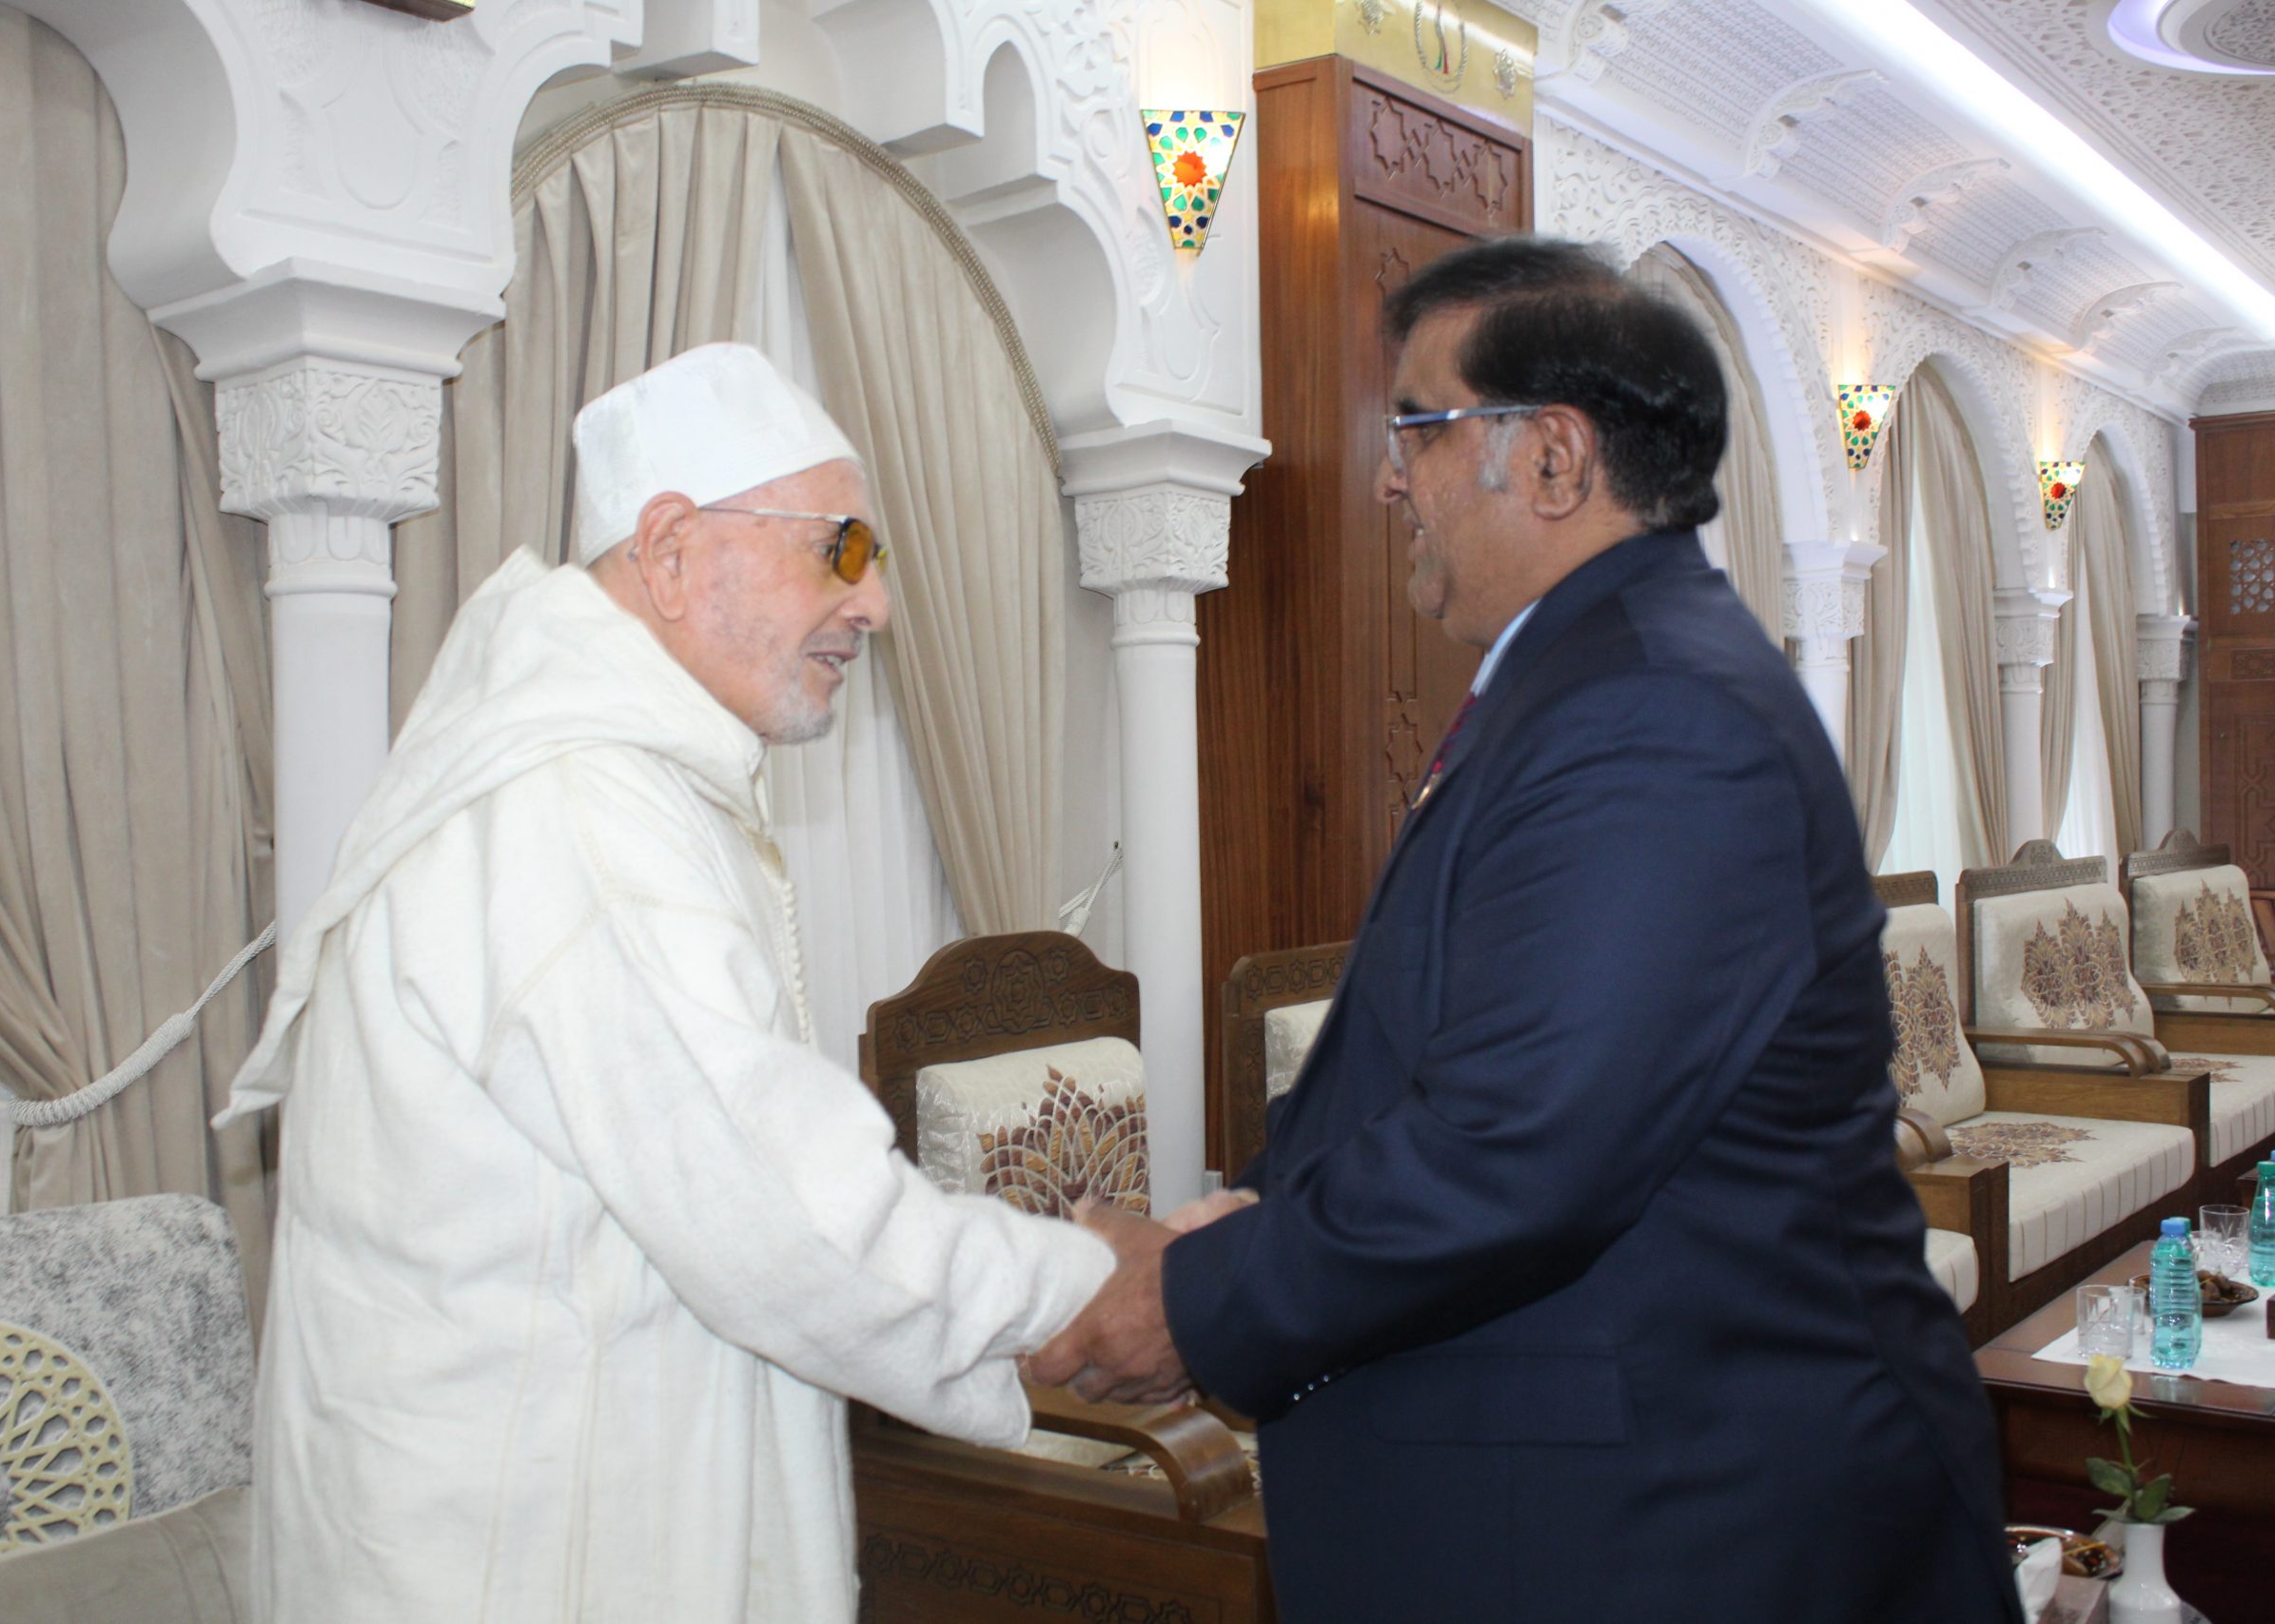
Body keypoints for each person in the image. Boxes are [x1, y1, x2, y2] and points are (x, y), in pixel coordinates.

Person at [1030, 240, 2020, 1623]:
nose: (1389, 478)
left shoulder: (1655, 714)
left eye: (1417, 429)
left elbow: (1520, 1149)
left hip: (1684, 1533)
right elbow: (1469, 1067)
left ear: (1553, 459)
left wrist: (1187, 1297)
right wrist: (1252, 1219)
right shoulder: (1602, 681)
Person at [216, 342, 1114, 1623]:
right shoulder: (578, 816)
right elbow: (790, 1222)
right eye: (843, 549)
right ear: (674, 549)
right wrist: (1096, 1291)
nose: (876, 603)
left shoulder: (614, 776)